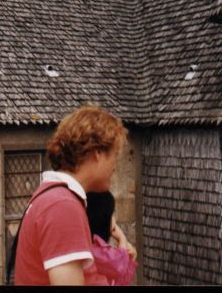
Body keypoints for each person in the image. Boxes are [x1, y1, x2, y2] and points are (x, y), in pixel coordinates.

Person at [14, 103, 127, 286]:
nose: (115, 166)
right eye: (114, 155)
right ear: (97, 153)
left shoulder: (55, 196)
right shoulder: (63, 206)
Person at [87, 190, 138, 261]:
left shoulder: (89, 247)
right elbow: (119, 266)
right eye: (112, 214)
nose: (115, 219)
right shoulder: (97, 252)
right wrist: (122, 238)